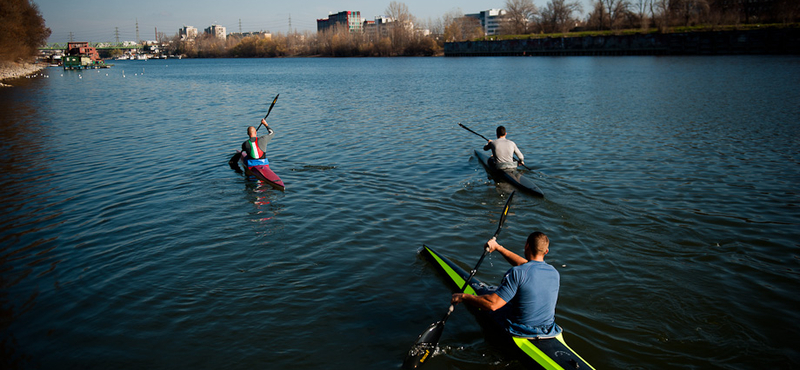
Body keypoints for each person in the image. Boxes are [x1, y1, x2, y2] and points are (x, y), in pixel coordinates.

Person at [451, 232, 562, 338]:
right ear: (546, 251)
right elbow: (528, 266)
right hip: (548, 329)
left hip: (520, 329)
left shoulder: (517, 272)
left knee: (485, 294)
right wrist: (498, 247)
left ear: (526, 246)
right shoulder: (554, 273)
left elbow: (492, 305)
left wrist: (464, 297)